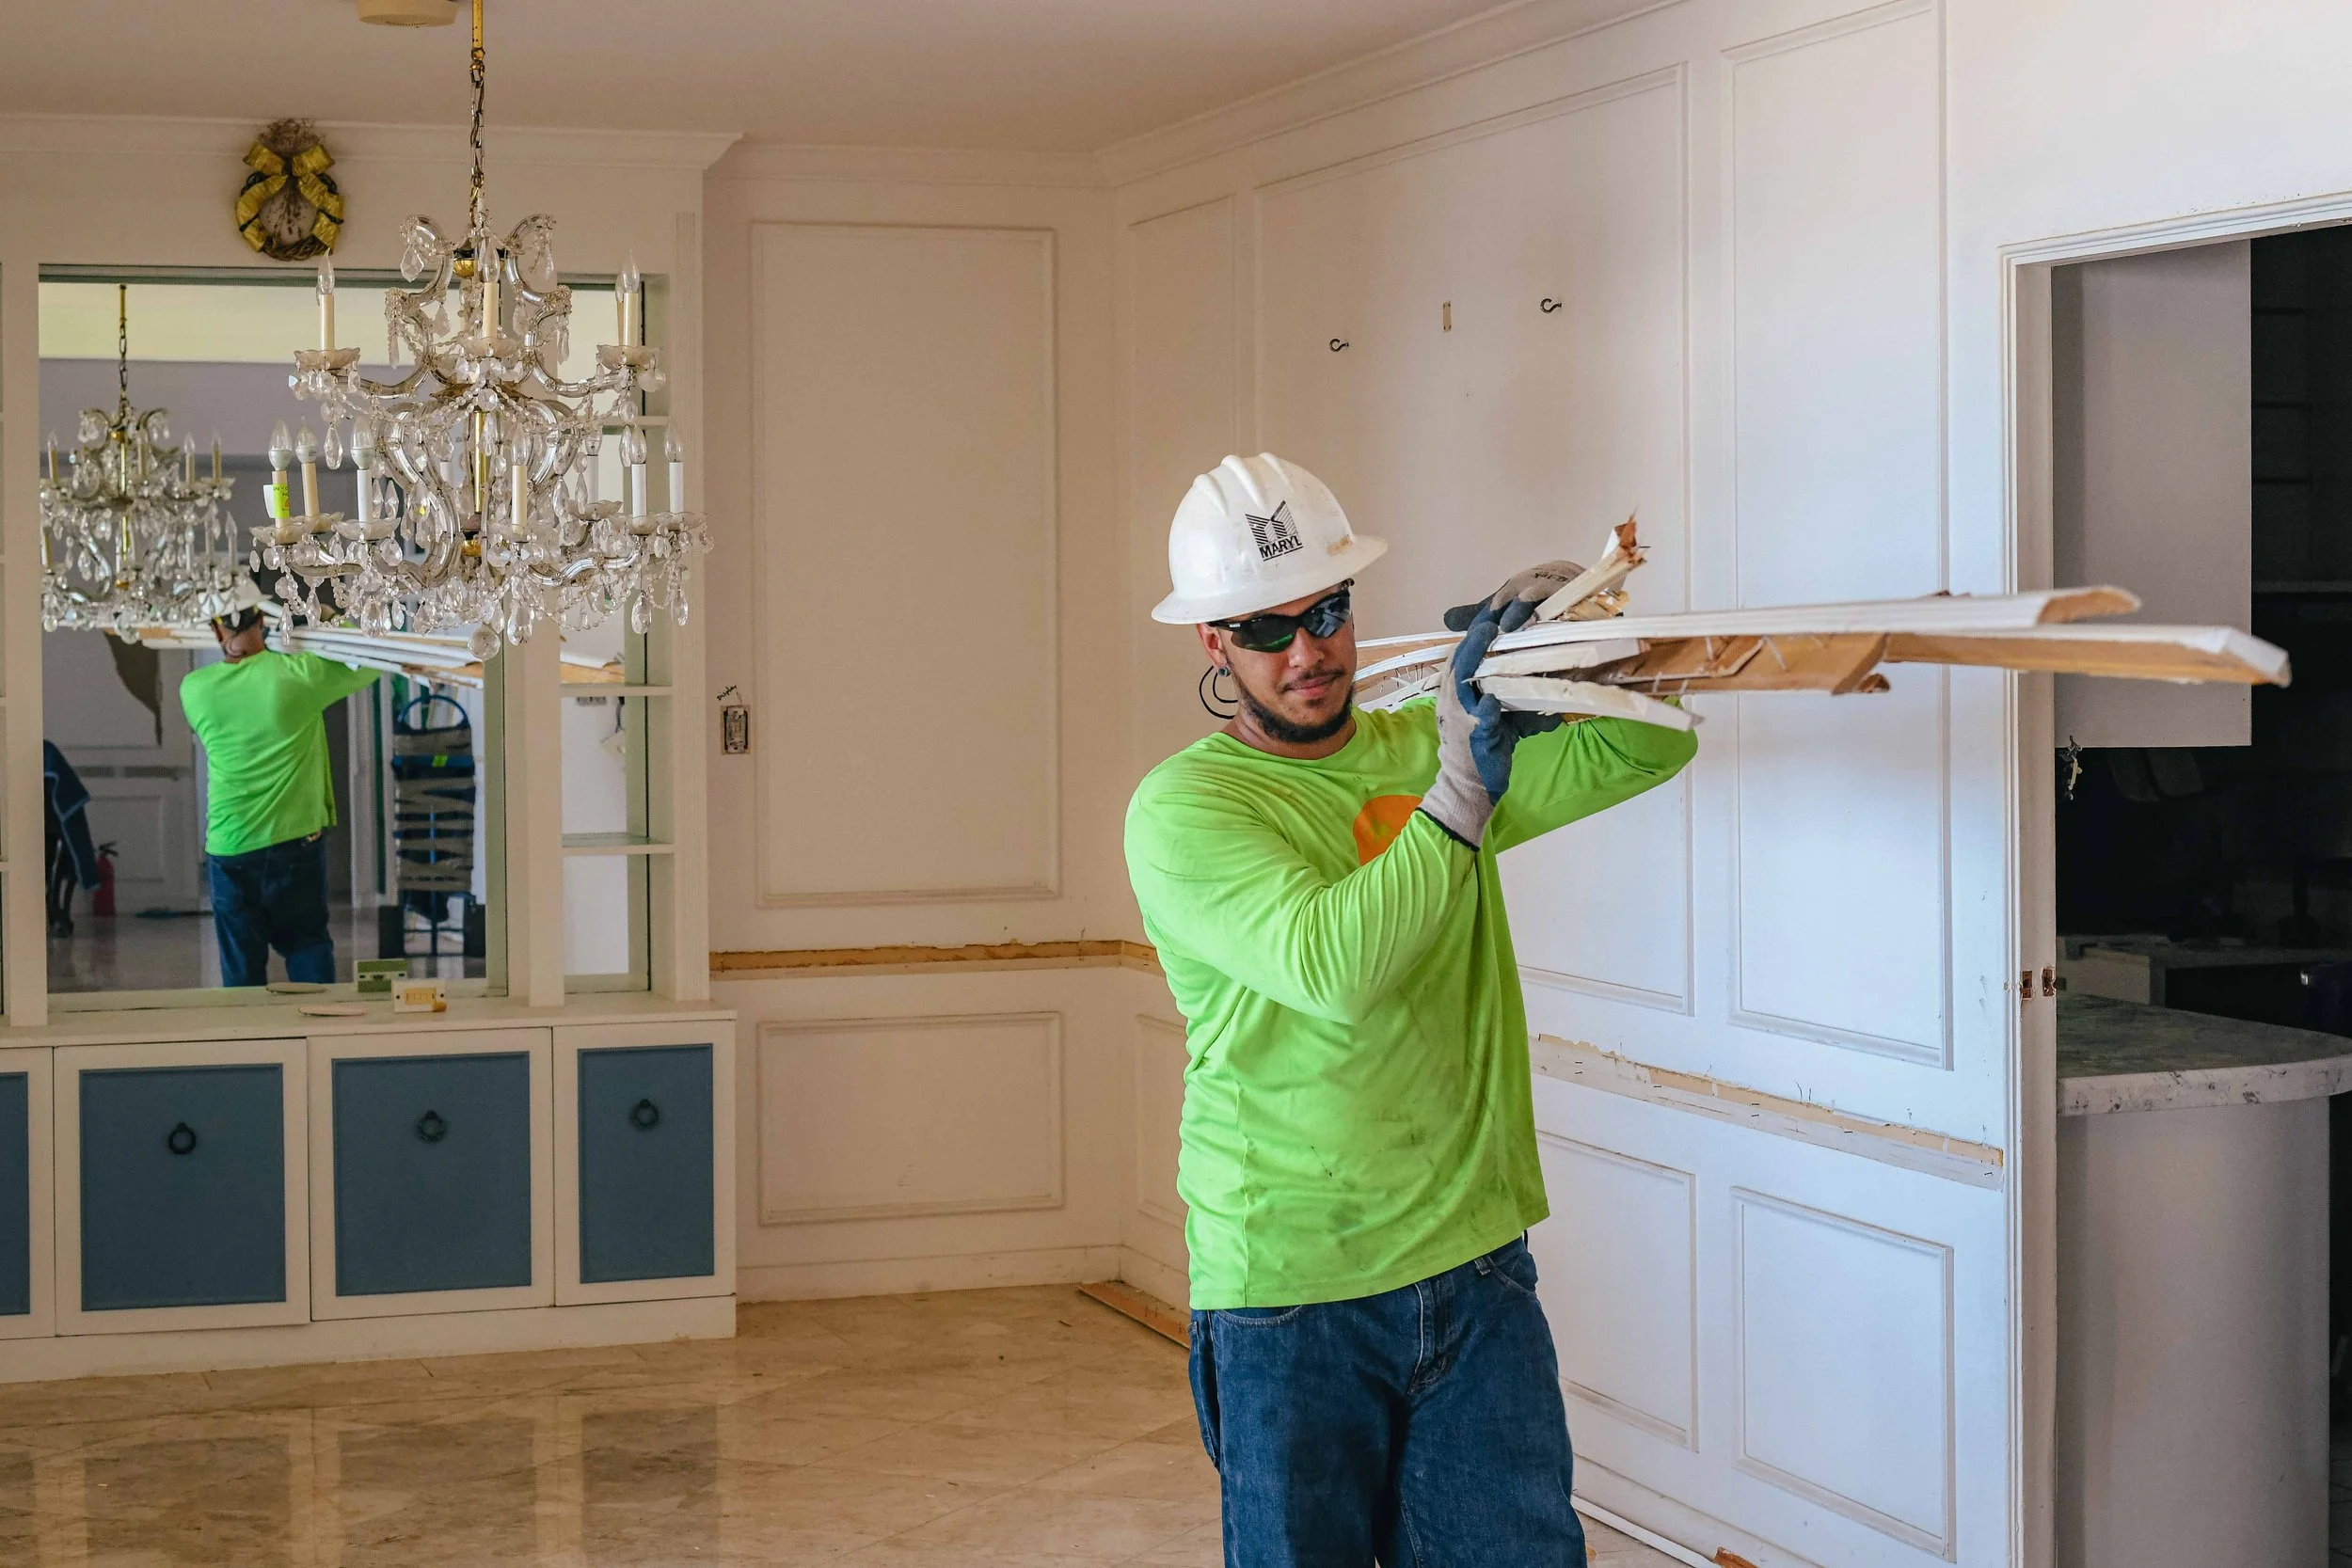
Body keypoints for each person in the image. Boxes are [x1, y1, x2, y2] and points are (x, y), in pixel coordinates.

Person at [1124, 453, 1697, 1567]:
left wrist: (1578, 641)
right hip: (1290, 1290)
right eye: (1265, 628)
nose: (1308, 650)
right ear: (1211, 643)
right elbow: (1333, 965)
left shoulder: (1419, 748)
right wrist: (1462, 786)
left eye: (1328, 611)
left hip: (1474, 1262)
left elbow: (1650, 742)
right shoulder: (1185, 808)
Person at [179, 580, 380, 988]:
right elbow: (373, 662)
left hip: (230, 845)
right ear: (263, 621)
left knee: (241, 971)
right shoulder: (297, 676)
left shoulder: (193, 690)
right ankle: (318, 1037)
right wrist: (329, 619)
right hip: (295, 842)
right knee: (306, 945)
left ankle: (249, 1047)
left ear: (217, 630)